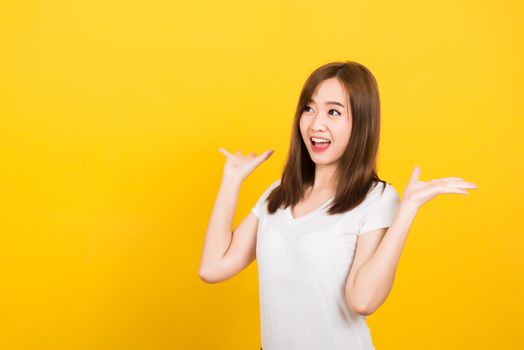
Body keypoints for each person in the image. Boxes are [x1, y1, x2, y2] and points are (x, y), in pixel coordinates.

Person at [198, 61, 477, 349]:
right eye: (309, 108)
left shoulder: (376, 198)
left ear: (361, 122)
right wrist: (231, 181)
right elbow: (213, 268)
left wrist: (407, 210)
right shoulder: (278, 195)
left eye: (334, 112)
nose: (316, 124)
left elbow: (363, 300)